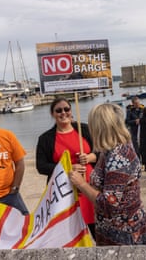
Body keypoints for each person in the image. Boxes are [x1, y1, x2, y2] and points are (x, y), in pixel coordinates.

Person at [69, 103, 146, 246]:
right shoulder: (109, 150)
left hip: (123, 234)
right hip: (113, 229)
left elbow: (109, 204)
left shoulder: (118, 156)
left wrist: (81, 184)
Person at [36, 97, 96, 237]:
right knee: (70, 234)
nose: (63, 113)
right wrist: (68, 168)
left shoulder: (84, 129)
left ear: (71, 111)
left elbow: (100, 151)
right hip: (64, 192)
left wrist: (89, 157)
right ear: (53, 114)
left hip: (89, 188)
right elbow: (41, 166)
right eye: (58, 110)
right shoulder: (45, 138)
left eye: (66, 109)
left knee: (97, 232)